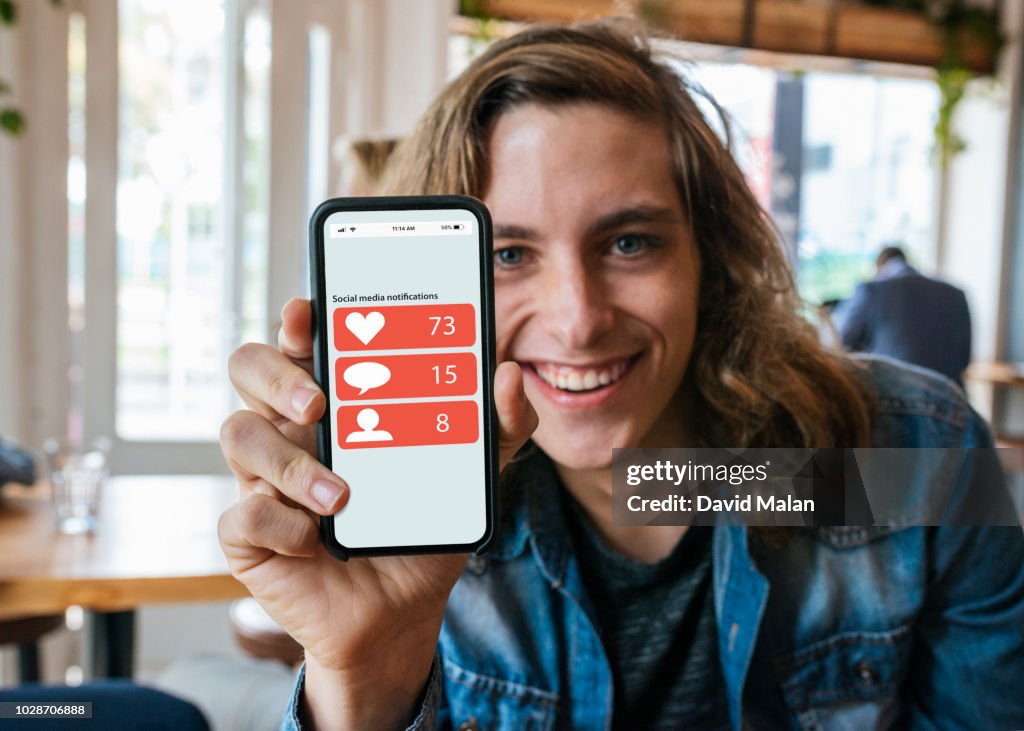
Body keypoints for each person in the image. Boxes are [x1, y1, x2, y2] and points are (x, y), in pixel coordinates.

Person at [217, 20, 1024, 730]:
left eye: (630, 241)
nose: (579, 318)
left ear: (713, 258)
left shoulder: (909, 459)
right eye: (508, 254)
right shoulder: (410, 506)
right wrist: (364, 680)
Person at [832, 245, 972, 386]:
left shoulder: (872, 290)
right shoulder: (956, 294)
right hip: (951, 396)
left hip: (896, 396)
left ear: (879, 268)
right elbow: (964, 358)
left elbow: (844, 343)